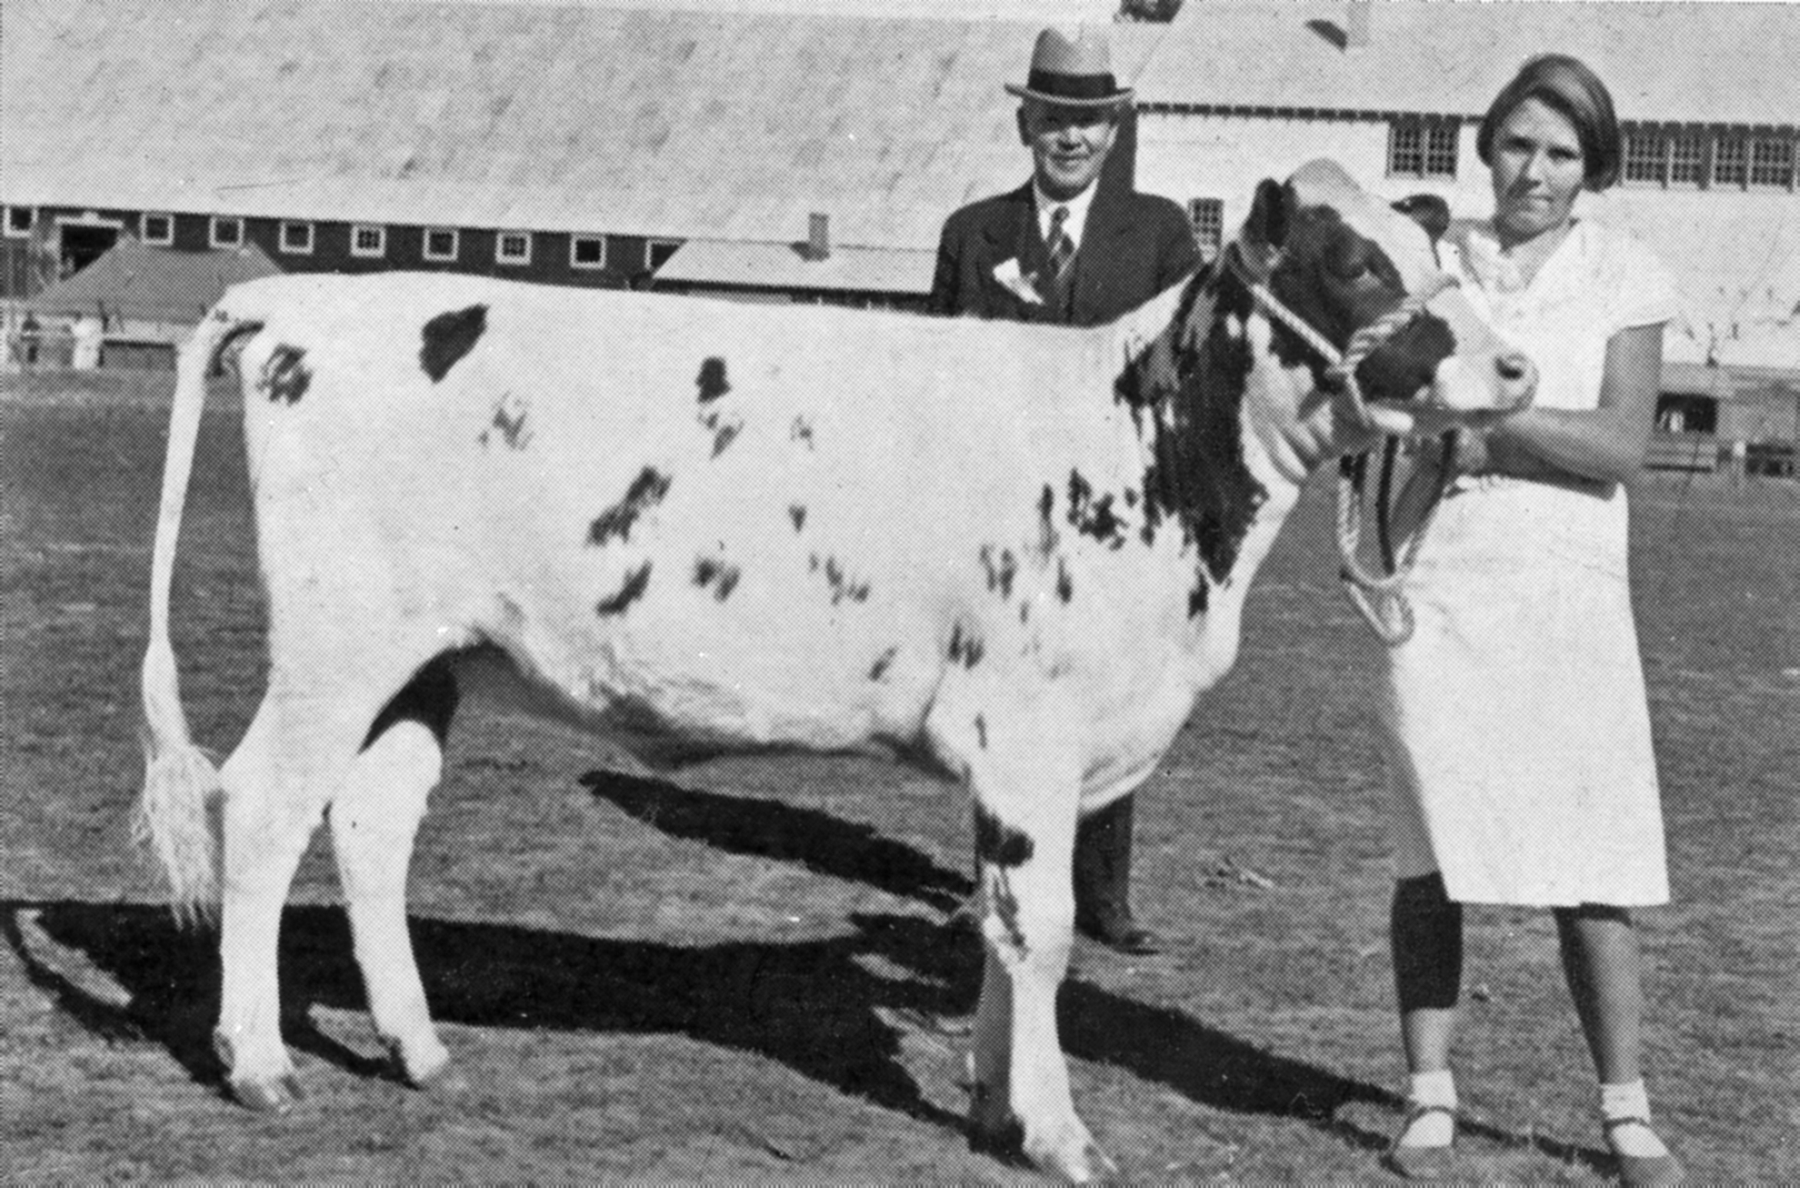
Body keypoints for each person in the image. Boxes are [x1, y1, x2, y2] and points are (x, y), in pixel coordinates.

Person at [1376, 55, 1684, 1186]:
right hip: (1443, 580)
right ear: (1485, 145)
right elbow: (1400, 411)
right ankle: (1428, 1098)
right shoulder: (1435, 262)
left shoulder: (1627, 271)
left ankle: (1625, 1110)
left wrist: (1492, 428)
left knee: (1590, 864)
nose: (1534, 173)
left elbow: (1620, 447)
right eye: (1518, 145)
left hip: (1567, 593)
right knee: (1432, 856)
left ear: (1590, 165)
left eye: (1559, 153)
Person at [929, 25, 1201, 955]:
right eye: (1054, 121)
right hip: (999, 511)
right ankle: (992, 883)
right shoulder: (973, 236)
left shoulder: (1160, 235)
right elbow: (942, 373)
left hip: (1116, 513)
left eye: (1089, 122)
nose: (1071, 139)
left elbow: (1185, 374)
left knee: (1106, 697)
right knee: (1003, 699)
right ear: (1025, 125)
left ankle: (1105, 897)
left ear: (1115, 130)